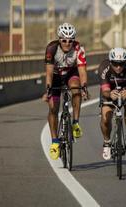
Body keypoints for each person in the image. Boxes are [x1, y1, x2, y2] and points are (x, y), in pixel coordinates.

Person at [42, 22, 89, 160]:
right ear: (59, 39)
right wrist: (49, 89)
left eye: (70, 40)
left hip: (70, 73)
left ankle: (75, 123)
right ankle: (55, 142)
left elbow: (82, 70)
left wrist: (84, 86)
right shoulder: (51, 48)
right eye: (64, 40)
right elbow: (49, 73)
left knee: (76, 88)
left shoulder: (79, 49)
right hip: (56, 75)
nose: (67, 43)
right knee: (53, 108)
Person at [98, 47, 126, 160]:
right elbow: (105, 91)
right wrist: (110, 94)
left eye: (121, 64)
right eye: (115, 64)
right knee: (106, 117)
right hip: (109, 91)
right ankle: (106, 142)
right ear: (110, 62)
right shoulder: (104, 67)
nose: (118, 67)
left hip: (125, 89)